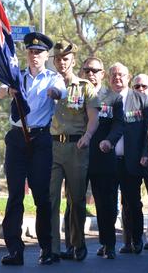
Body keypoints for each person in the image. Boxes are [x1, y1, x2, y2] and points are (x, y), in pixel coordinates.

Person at [0, 32, 66, 266]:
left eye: (39, 52)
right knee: (15, 194)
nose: (34, 56)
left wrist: (54, 94)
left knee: (41, 196)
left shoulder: (53, 78)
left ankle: (46, 248)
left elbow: (61, 92)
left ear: (47, 55)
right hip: (17, 139)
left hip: (40, 141)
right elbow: (0, 91)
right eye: (31, 51)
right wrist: (9, 91)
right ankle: (15, 250)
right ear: (26, 54)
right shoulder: (17, 77)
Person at [48, 40, 100, 262]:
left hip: (76, 147)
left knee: (76, 200)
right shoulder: (48, 82)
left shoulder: (84, 87)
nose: (62, 63)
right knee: (50, 199)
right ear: (54, 61)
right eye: (58, 59)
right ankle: (50, 248)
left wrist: (87, 136)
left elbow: (93, 117)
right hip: (52, 147)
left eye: (66, 59)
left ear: (73, 60)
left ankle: (77, 244)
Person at [81, 57, 125, 260]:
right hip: (79, 155)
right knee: (75, 201)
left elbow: (119, 124)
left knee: (105, 203)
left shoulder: (113, 97)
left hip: (103, 155)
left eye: (95, 70)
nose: (91, 74)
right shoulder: (76, 93)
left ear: (102, 74)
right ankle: (75, 245)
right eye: (87, 70)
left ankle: (108, 244)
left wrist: (110, 141)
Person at [109, 63, 148, 255]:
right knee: (110, 204)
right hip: (109, 160)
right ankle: (114, 243)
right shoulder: (102, 99)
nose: (117, 78)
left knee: (132, 202)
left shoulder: (142, 100)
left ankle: (136, 239)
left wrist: (145, 153)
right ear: (108, 78)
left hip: (132, 160)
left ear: (128, 77)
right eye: (114, 75)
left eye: (121, 75)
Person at [132, 73, 148, 251]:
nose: (140, 89)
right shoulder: (128, 106)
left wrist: (147, 154)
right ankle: (133, 239)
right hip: (133, 160)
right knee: (131, 201)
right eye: (137, 87)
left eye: (144, 86)